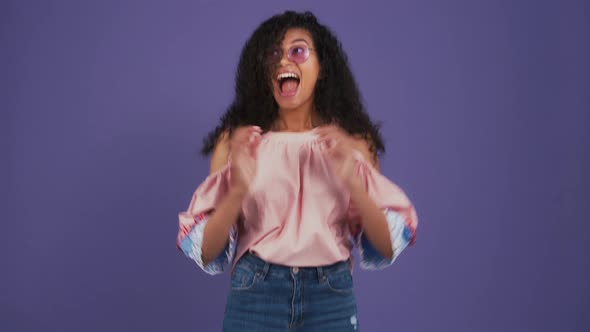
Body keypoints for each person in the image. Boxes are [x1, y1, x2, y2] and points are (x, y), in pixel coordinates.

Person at [176, 10, 418, 331]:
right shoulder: (239, 143)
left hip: (329, 298)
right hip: (255, 294)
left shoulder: (352, 144)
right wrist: (237, 189)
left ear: (322, 68)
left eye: (298, 51)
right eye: (273, 54)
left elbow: (384, 248)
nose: (283, 62)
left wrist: (352, 180)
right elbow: (209, 254)